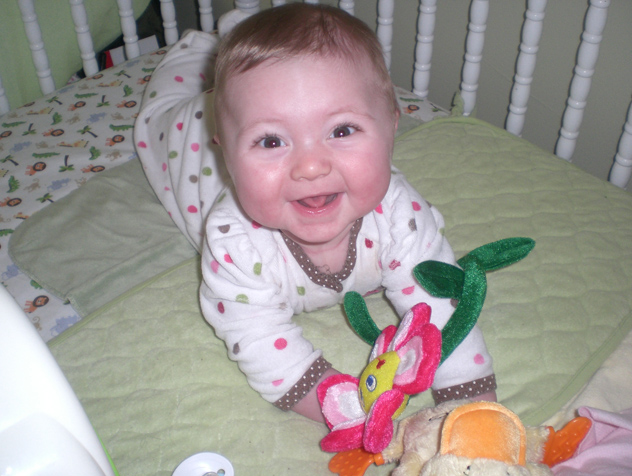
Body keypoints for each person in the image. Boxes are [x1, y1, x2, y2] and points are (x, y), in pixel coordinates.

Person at [134, 3, 496, 423]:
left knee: (250, 92)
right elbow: (259, 339)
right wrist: (349, 410)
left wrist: (472, 404)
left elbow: (437, 302)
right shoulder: (235, 242)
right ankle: (203, 44)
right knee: (160, 114)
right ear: (226, 154)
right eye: (271, 141)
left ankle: (240, 40)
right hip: (184, 137)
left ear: (392, 127)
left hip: (241, 115)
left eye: (342, 130)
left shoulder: (399, 213)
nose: (310, 167)